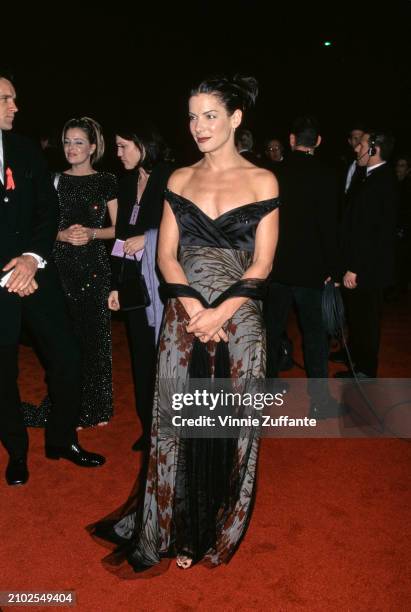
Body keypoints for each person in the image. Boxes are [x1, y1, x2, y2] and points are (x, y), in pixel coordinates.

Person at [89, 75, 279, 572]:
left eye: (210, 115)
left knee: (228, 429)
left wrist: (221, 312)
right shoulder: (178, 179)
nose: (198, 126)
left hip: (239, 317)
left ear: (236, 119)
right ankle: (173, 531)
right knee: (176, 427)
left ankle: (214, 527)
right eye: (192, 116)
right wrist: (196, 310)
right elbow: (166, 258)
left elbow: (261, 265)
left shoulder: (263, 181)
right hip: (183, 312)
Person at [0, 76, 104, 486]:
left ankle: (62, 440)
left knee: (68, 358)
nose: (15, 107)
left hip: (36, 275)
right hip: (1, 283)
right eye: (6, 99)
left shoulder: (25, 149)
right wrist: (8, 270)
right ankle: (17, 451)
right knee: (3, 375)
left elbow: (46, 209)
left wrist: (30, 259)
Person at [24, 117, 118, 428]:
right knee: (67, 341)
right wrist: (61, 235)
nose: (71, 148)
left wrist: (92, 233)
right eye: (67, 142)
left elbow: (119, 229)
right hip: (59, 267)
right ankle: (70, 407)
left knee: (96, 338)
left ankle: (98, 407)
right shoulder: (53, 180)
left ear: (92, 147)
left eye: (78, 142)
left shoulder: (107, 181)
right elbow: (37, 226)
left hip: (94, 267)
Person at [265, 116, 342, 418]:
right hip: (312, 270)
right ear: (318, 142)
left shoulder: (276, 173)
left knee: (271, 331)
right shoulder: (327, 175)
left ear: (292, 140)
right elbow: (329, 228)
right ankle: (319, 401)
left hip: (279, 268)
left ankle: (266, 391)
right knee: (315, 336)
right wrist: (334, 269)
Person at [108, 125, 174, 451]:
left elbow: (186, 230)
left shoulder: (170, 177)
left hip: (164, 283)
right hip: (134, 284)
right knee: (141, 358)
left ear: (142, 144)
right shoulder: (126, 183)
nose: (118, 154)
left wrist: (148, 238)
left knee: (168, 358)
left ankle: (171, 428)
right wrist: (116, 285)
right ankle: (149, 429)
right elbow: (121, 238)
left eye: (123, 146)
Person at [336, 130, 398, 378]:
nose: (356, 148)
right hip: (363, 264)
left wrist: (355, 267)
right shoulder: (371, 177)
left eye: (360, 144)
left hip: (368, 268)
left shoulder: (381, 181)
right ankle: (355, 357)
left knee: (367, 320)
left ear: (374, 148)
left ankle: (365, 370)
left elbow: (373, 232)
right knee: (358, 317)